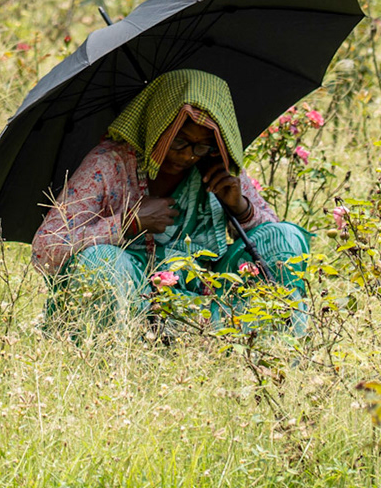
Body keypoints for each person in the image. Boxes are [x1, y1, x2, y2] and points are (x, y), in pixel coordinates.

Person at [32, 69, 310, 329]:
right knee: (100, 261)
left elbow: (273, 244)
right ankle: (116, 349)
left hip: (208, 299)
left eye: (201, 145)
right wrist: (128, 223)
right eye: (178, 141)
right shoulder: (109, 165)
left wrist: (240, 207)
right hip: (132, 299)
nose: (188, 155)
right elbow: (46, 249)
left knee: (284, 236)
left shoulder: (214, 165)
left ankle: (278, 343)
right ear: (158, 128)